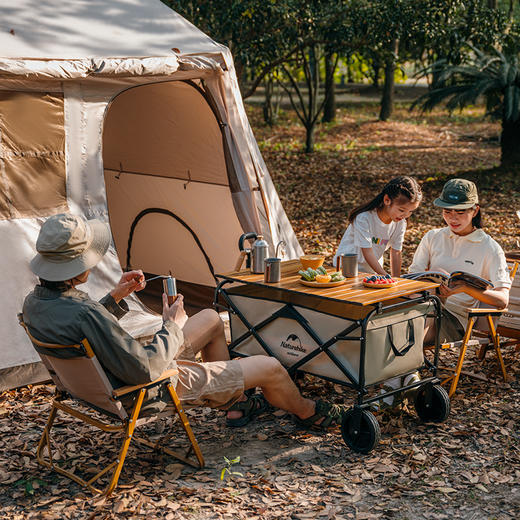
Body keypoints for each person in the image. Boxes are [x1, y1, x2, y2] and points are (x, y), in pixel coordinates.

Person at [23, 213, 345, 431]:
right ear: (78, 268)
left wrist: (116, 297)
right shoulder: (84, 312)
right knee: (271, 367)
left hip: (102, 384)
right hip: (145, 388)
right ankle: (307, 412)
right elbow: (145, 369)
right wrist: (171, 324)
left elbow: (89, 329)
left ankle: (237, 402)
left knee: (209, 319)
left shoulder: (37, 303)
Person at [409, 178, 511, 344]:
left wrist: (465, 288)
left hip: (454, 320)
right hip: (420, 305)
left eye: (460, 212)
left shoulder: (490, 248)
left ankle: (404, 364)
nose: (453, 219)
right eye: (447, 212)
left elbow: (502, 300)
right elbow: (412, 278)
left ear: (475, 211)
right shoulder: (433, 237)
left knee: (407, 326)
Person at [334, 176, 422, 277]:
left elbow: (396, 252)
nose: (405, 215)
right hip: (346, 270)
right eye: (401, 210)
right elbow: (367, 251)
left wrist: (397, 281)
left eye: (410, 211)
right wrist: (386, 276)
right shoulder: (364, 218)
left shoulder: (400, 223)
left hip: (372, 272)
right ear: (387, 200)